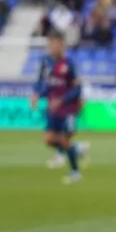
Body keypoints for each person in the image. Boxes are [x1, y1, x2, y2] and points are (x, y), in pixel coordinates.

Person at [31, 31, 85, 183]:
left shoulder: (69, 64)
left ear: (62, 45)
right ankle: (77, 149)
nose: (52, 47)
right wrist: (37, 94)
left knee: (64, 139)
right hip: (53, 108)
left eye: (56, 44)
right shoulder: (46, 63)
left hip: (68, 108)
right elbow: (46, 84)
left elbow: (77, 88)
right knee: (48, 140)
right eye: (50, 44)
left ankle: (75, 173)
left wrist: (63, 100)